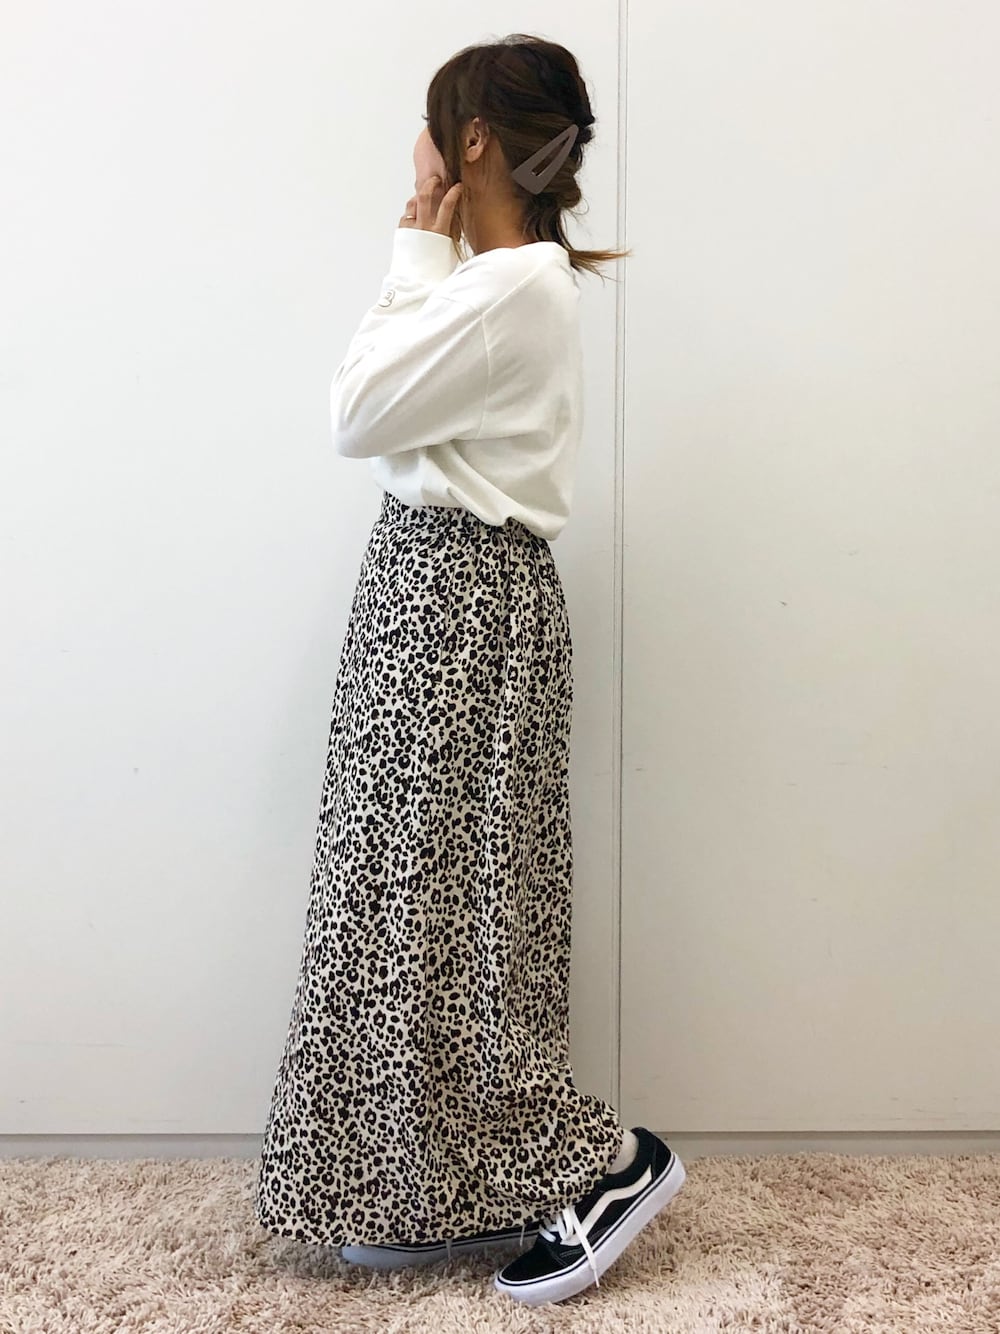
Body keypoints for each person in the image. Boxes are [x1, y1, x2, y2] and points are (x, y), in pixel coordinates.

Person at [253, 34, 685, 1307]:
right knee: (409, 900)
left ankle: (606, 1163)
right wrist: (428, 260)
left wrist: (410, 255)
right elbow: (380, 406)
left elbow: (355, 412)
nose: (417, 145)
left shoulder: (514, 288)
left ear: (476, 140)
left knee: (462, 904)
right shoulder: (491, 282)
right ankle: (434, 1179)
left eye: (431, 121)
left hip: (460, 600)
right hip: (429, 589)